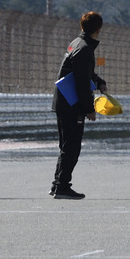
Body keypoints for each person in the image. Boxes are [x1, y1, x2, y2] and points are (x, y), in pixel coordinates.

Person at [50, 11, 107, 200]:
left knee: (66, 145)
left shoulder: (77, 43)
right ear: (98, 29)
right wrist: (89, 109)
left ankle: (57, 184)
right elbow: (82, 82)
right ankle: (62, 187)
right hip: (71, 104)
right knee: (72, 147)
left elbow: (82, 73)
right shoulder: (84, 49)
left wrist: (99, 82)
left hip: (63, 102)